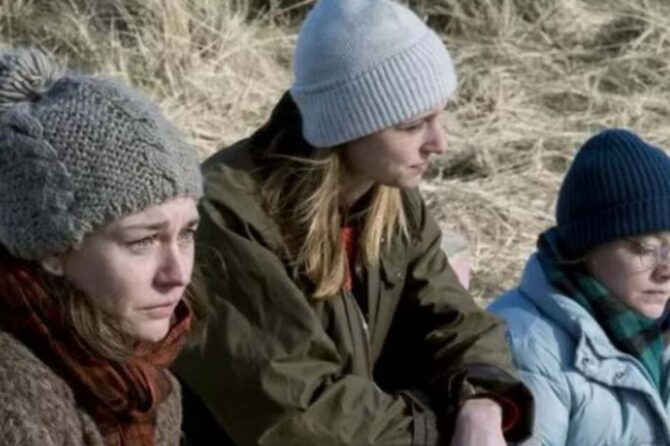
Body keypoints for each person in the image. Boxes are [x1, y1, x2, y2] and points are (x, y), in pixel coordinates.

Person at [174, 1, 534, 445]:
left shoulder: (388, 196)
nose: (440, 143)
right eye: (413, 125)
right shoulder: (228, 217)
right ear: (347, 125)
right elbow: (298, 413)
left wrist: (481, 403)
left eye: (440, 115)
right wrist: (441, 427)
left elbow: (454, 321)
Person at [0, 48, 206, 446]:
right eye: (143, 240)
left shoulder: (144, 373)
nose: (178, 275)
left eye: (186, 233)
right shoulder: (15, 406)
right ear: (52, 250)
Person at [489, 128, 670, 445]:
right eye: (643, 247)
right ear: (587, 248)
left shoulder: (657, 333)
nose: (666, 270)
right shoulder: (526, 348)